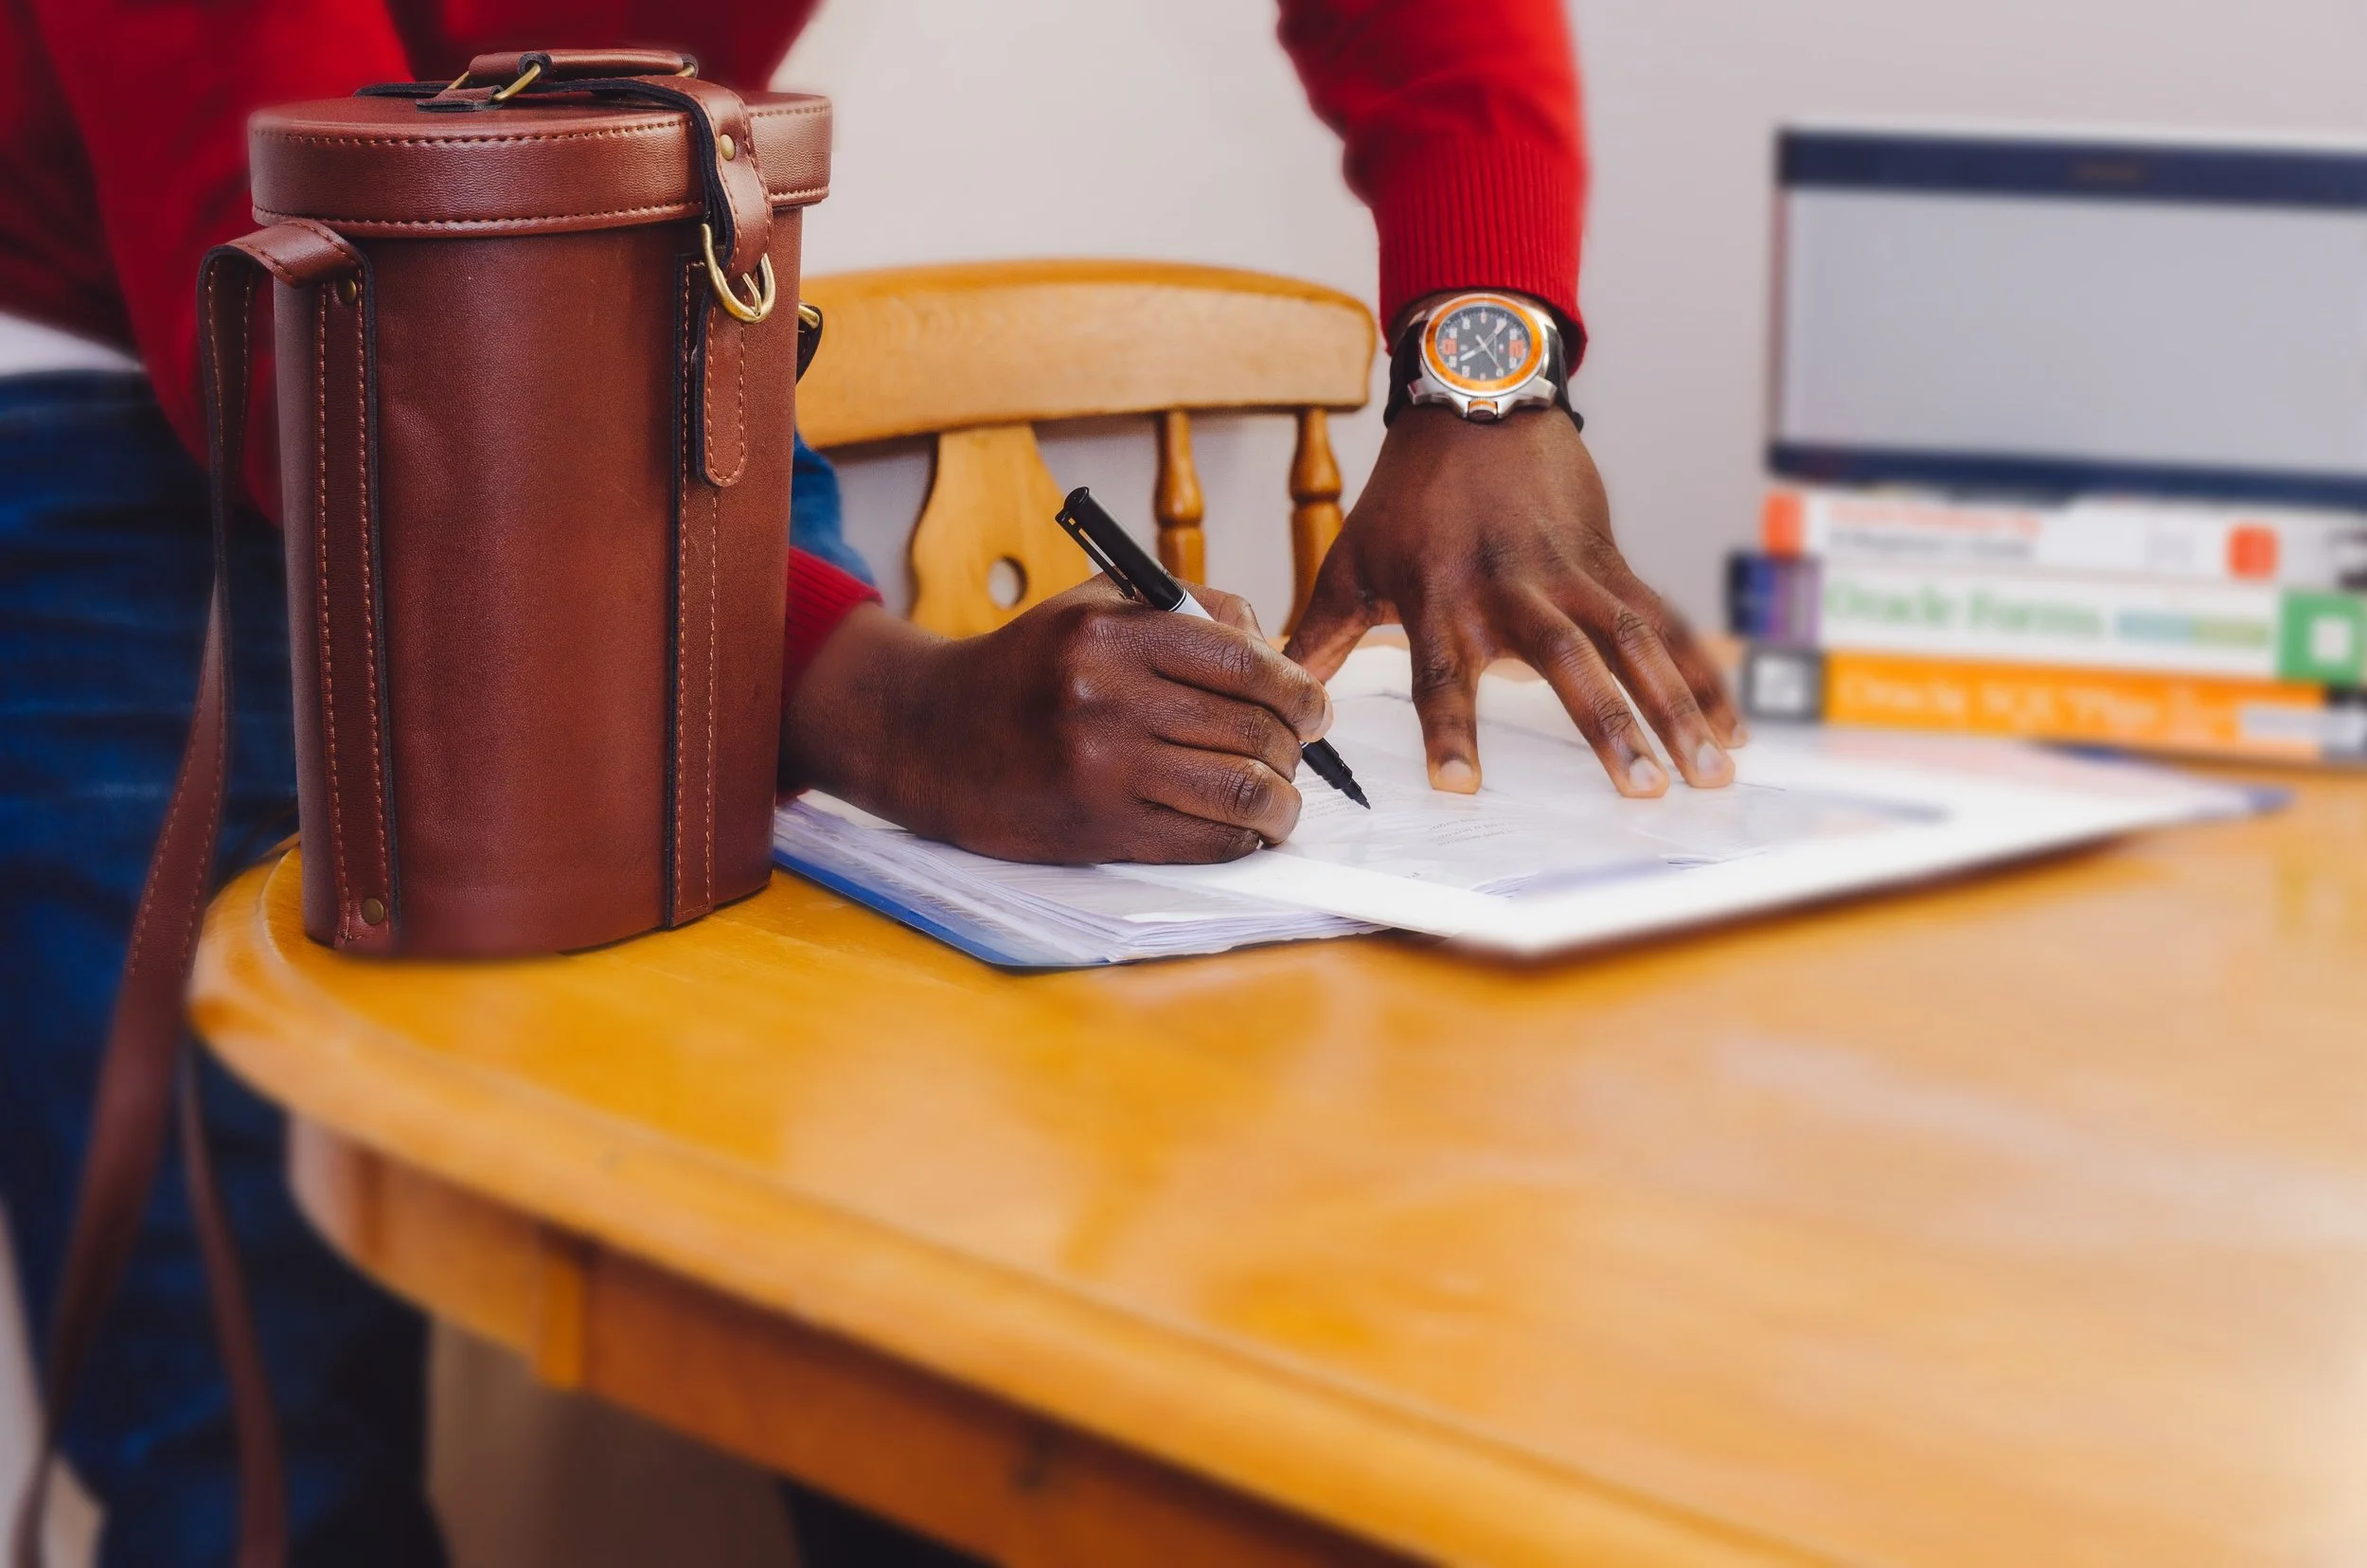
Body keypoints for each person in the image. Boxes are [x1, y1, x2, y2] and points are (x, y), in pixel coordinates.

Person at [0, 1, 1745, 1562]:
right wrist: (898, 714)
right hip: (123, 373)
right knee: (241, 1445)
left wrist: (1481, 364)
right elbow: (271, 293)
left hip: (628, 283)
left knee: (879, 1261)